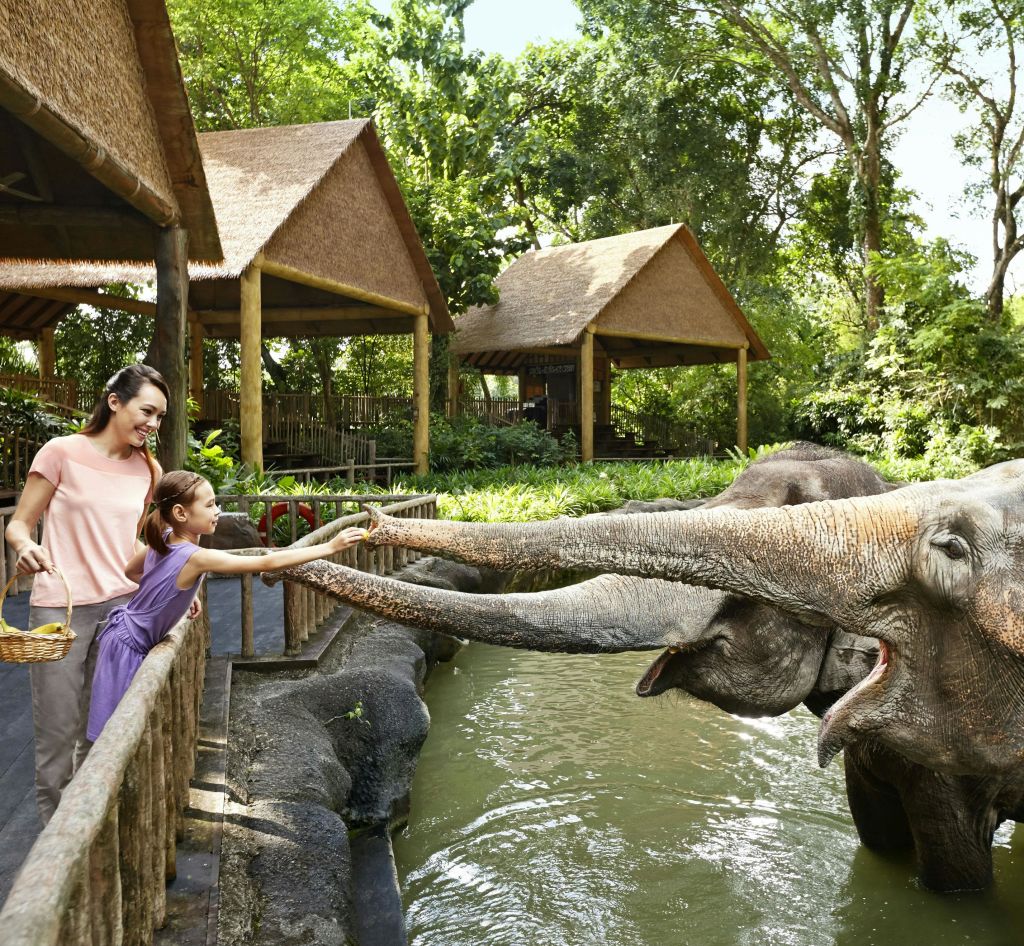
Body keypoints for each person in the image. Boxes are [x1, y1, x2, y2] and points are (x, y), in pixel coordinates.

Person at [5, 364, 171, 824]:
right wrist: (26, 546)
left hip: (121, 610)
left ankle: (94, 830)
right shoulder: (60, 452)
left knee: (102, 729)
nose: (153, 425)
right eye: (147, 411)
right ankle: (54, 844)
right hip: (59, 608)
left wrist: (170, 583)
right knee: (56, 733)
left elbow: (131, 546)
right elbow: (19, 523)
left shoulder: (147, 470)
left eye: (159, 417)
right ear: (115, 401)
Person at [87, 470, 367, 741]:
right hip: (129, 647)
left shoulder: (164, 539)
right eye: (209, 505)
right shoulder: (195, 556)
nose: (217, 510)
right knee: (116, 734)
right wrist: (330, 547)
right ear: (181, 514)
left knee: (127, 729)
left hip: (122, 634)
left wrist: (181, 593)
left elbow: (132, 572)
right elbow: (265, 563)